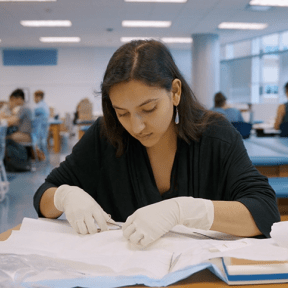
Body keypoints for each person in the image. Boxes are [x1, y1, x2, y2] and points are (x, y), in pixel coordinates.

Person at [34, 40, 280, 248]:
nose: (136, 126)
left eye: (148, 109)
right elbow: (44, 195)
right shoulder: (105, 135)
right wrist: (64, 196)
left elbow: (265, 212)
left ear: (175, 92)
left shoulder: (215, 135)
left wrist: (185, 210)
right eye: (122, 113)